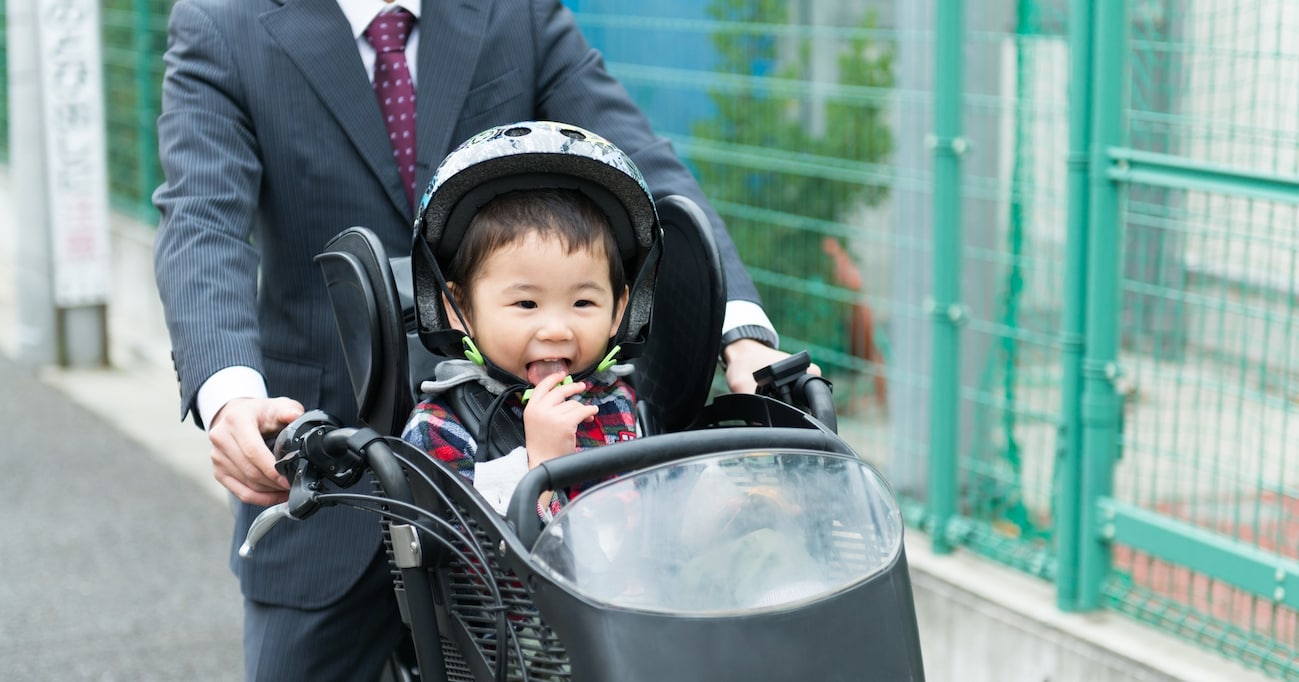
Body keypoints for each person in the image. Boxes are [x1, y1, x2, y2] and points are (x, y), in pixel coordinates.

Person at [152, 1, 810, 679]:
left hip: (551, 519)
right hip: (327, 461)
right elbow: (202, 218)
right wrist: (229, 393)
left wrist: (741, 332)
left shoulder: (511, 11)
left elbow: (644, 170)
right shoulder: (223, 24)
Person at [401, 185, 638, 516]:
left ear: (617, 311)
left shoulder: (615, 399)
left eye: (583, 302)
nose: (556, 330)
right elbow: (464, 562)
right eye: (526, 303)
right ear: (461, 311)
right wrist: (541, 467)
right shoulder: (442, 428)